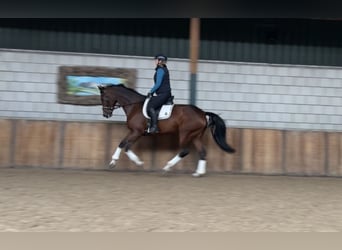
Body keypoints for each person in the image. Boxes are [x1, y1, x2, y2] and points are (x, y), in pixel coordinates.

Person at [146, 54, 172, 134]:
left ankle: (154, 127)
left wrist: (150, 92)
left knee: (150, 106)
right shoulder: (164, 69)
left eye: (156, 59)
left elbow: (158, 84)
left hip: (163, 94)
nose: (155, 61)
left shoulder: (160, 70)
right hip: (165, 93)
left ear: (160, 61)